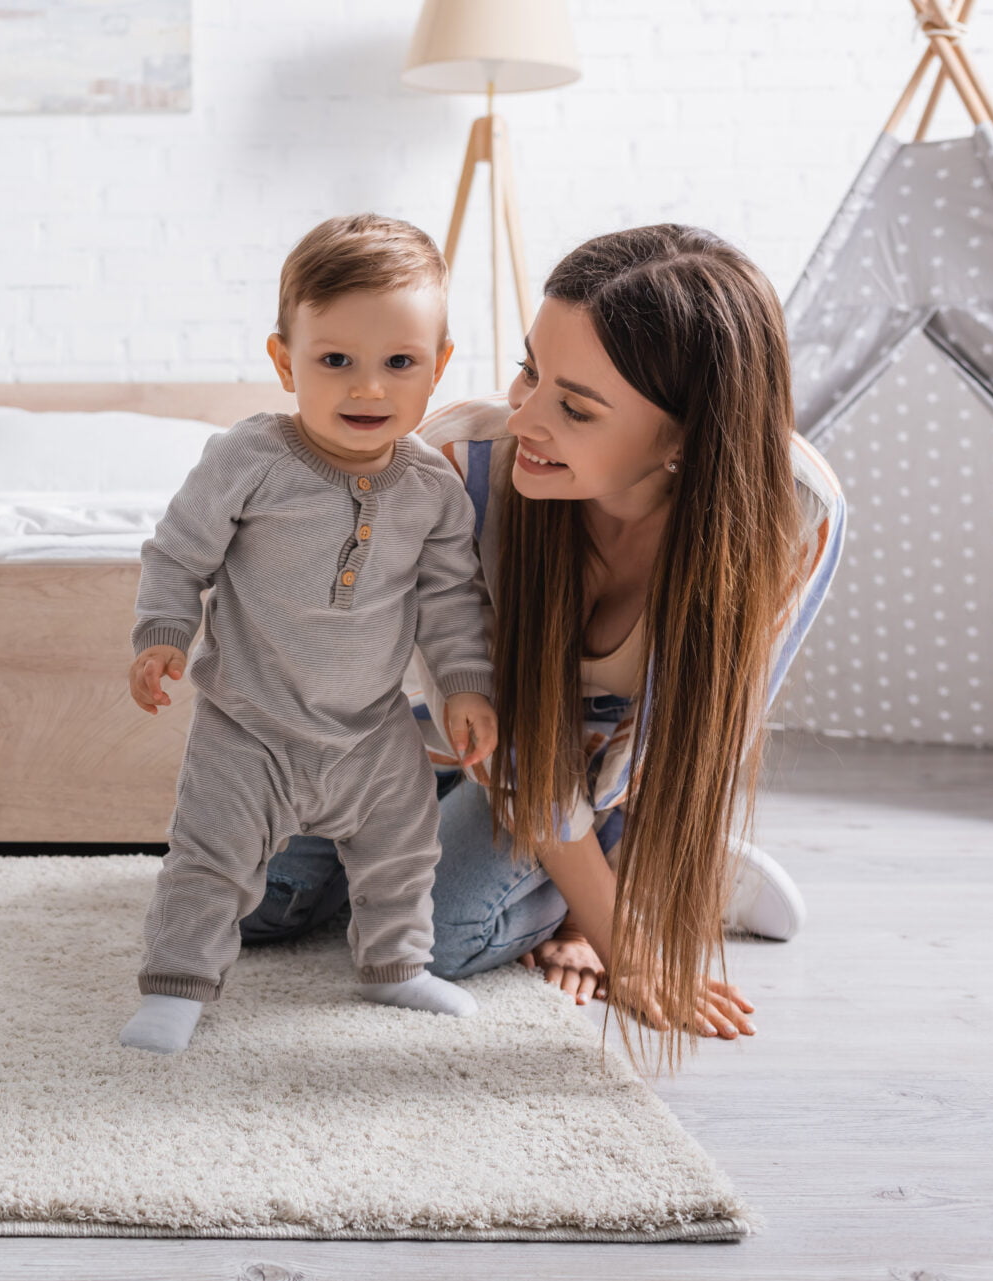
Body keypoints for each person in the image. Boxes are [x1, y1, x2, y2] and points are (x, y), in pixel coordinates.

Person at [245, 225, 846, 1065]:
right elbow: (468, 712)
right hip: (428, 741)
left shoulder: (796, 517)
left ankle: (652, 864)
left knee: (434, 938)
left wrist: (606, 928)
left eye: (575, 405)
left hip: (592, 784)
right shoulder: (453, 465)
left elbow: (705, 722)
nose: (522, 414)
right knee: (249, 898)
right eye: (531, 368)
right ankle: (597, 865)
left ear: (682, 440)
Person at [119, 214, 499, 1055]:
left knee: (406, 849)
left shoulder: (433, 490)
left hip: (370, 727)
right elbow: (179, 552)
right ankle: (179, 981)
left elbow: (450, 601)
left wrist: (467, 685)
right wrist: (164, 632)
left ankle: (394, 966)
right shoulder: (250, 458)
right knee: (210, 861)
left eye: (399, 363)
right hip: (248, 723)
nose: (368, 388)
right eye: (336, 361)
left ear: (437, 367)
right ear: (286, 361)